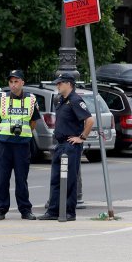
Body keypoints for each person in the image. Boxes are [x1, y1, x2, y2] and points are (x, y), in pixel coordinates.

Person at [38, 73, 93, 221]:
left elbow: (89, 120)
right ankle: (53, 211)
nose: (57, 86)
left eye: (60, 83)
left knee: (69, 180)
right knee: (56, 179)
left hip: (70, 145)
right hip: (60, 144)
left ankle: (69, 212)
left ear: (69, 84)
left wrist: (81, 138)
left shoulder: (75, 100)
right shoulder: (61, 100)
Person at [0, 69, 41, 220]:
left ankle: (25, 210)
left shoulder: (31, 99)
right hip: (4, 144)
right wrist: (3, 132)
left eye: (16, 81)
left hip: (22, 145)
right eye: (11, 82)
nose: (13, 85)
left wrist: (24, 133)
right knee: (2, 179)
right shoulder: (3, 99)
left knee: (21, 179)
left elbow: (33, 122)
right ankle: (1, 209)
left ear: (22, 83)